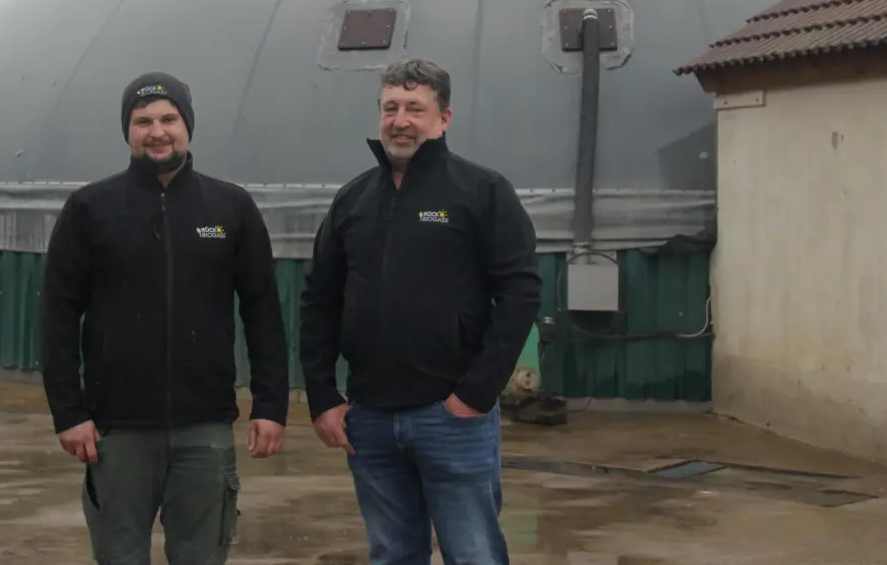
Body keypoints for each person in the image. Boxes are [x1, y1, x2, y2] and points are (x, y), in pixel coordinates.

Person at [299, 57, 543, 565]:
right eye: (391, 108)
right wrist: (322, 394)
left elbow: (519, 293)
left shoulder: (481, 191)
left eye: (415, 108)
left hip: (451, 416)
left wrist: (475, 393)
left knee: (473, 552)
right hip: (369, 418)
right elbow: (319, 298)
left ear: (443, 119)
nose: (400, 120)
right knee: (392, 552)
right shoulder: (353, 200)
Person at [40, 71, 290, 565]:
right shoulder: (92, 208)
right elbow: (58, 316)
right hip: (117, 431)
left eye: (169, 119)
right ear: (128, 131)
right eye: (143, 121)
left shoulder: (229, 207)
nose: (157, 131)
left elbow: (263, 311)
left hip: (205, 427)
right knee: (120, 555)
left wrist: (270, 404)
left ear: (188, 125)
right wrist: (69, 412)